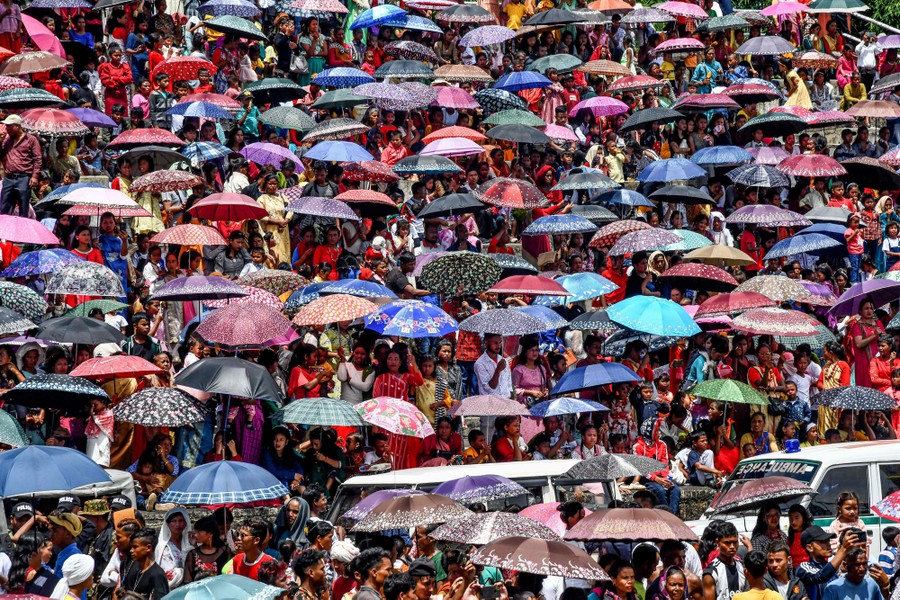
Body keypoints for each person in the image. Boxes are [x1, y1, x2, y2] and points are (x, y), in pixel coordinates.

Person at [0, 115, 42, 216]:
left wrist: (34, 176)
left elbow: (38, 159)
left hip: (24, 178)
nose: (7, 129)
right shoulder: (7, 140)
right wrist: (0, 142)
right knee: (4, 209)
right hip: (9, 178)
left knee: (23, 208)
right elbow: (1, 155)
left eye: (9, 126)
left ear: (17, 126)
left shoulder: (31, 139)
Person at [120, 528, 170, 600]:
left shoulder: (157, 575)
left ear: (148, 548)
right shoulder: (136, 571)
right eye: (131, 547)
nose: (131, 551)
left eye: (135, 547)